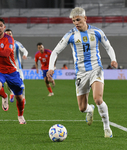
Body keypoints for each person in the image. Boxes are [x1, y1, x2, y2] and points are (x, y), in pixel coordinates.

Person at [47, 7, 118, 138]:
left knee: (98, 99)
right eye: (73, 21)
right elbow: (55, 51)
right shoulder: (71, 35)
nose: (76, 23)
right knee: (82, 108)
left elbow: (108, 46)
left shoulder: (96, 32)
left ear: (85, 19)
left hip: (96, 68)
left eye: (78, 20)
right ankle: (90, 110)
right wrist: (51, 67)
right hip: (80, 73)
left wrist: (113, 59)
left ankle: (107, 128)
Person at [4, 29, 28, 103]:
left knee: (21, 84)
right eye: (7, 34)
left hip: (17, 68)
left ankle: (23, 97)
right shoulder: (2, 44)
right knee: (7, 83)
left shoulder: (17, 43)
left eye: (10, 33)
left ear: (12, 35)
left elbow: (25, 50)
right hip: (7, 68)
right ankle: (12, 92)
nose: (9, 35)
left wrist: (25, 54)